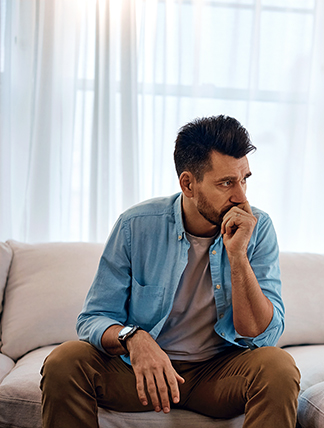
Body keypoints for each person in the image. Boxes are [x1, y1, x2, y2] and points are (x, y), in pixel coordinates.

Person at [40, 115, 301, 428]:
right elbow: (93, 318)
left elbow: (260, 333)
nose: (241, 197)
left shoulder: (257, 228)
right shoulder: (135, 226)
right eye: (226, 183)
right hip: (141, 373)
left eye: (244, 179)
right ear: (188, 184)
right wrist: (134, 339)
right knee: (64, 362)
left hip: (217, 373)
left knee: (279, 367)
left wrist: (238, 256)